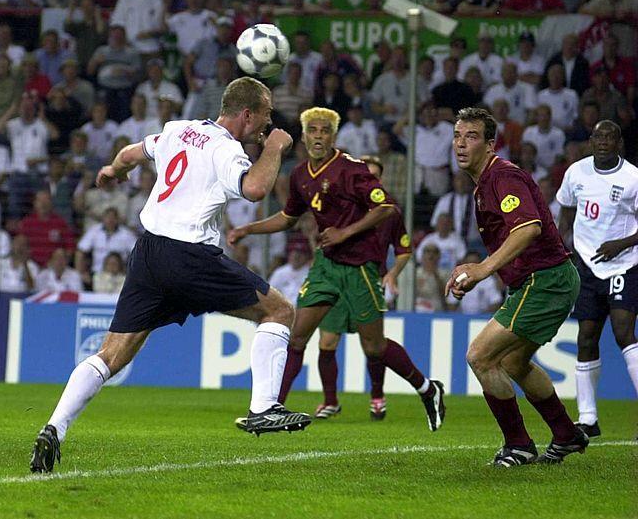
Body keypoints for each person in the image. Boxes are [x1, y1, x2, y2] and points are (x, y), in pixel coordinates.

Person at [30, 77, 311, 474]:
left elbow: (131, 152)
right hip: (190, 256)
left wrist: (112, 169)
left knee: (111, 354)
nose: (267, 123)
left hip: (148, 253)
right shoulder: (225, 149)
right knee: (279, 312)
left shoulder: (180, 129)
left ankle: (53, 429)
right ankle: (263, 407)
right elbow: (254, 188)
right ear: (246, 114)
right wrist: (275, 148)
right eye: (265, 115)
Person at [228, 107, 445, 432]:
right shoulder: (301, 175)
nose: (318, 136)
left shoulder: (352, 170)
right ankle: (270, 409)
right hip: (326, 267)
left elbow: (386, 206)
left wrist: (345, 232)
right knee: (296, 337)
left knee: (373, 347)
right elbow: (287, 218)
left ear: (333, 136)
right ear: (304, 135)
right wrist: (248, 229)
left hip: (360, 269)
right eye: (312, 130)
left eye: (324, 131)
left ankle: (428, 388)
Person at [447, 107, 587, 467]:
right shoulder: (485, 184)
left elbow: (528, 228)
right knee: (512, 361)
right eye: (458, 136)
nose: (461, 144)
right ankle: (566, 434)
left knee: (480, 356)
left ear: (491, 144)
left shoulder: (502, 177)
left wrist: (482, 269)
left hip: (545, 280)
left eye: (472, 136)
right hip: (541, 280)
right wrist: (472, 267)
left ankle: (519, 445)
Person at [307, 155, 412, 421]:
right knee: (327, 341)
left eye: (374, 176)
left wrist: (393, 274)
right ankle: (330, 400)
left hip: (368, 280)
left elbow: (403, 249)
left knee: (372, 346)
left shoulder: (389, 212)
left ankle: (377, 396)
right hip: (336, 282)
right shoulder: (340, 206)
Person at [554, 120, 638, 439]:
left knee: (622, 332)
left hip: (623, 266)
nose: (603, 141)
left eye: (610, 136)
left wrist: (621, 244)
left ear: (619, 143)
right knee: (586, 337)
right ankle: (587, 418)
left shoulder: (632, 179)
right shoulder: (576, 173)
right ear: (590, 141)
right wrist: (565, 239)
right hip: (587, 268)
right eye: (598, 136)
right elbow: (565, 207)